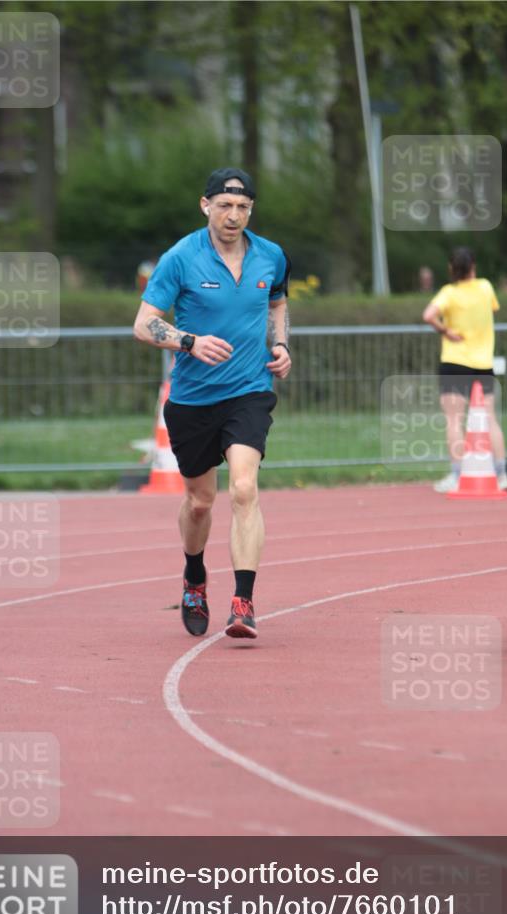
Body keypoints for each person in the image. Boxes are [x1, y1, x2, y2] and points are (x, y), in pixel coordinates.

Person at [132, 167, 291, 639]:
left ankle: (243, 602)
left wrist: (280, 345)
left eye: (242, 207)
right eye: (224, 205)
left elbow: (278, 302)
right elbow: (144, 324)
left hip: (249, 391)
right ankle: (194, 575)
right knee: (200, 502)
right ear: (206, 206)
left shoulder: (272, 256)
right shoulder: (181, 257)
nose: (233, 215)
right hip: (193, 399)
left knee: (244, 489)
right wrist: (188, 341)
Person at [422, 247, 507, 493]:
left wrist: (445, 330)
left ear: (452, 269)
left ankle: (457, 475)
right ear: (474, 266)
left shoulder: (449, 293)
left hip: (455, 361)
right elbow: (492, 309)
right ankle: (502, 475)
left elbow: (428, 315)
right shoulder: (486, 287)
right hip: (483, 363)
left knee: (454, 420)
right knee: (491, 418)